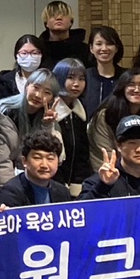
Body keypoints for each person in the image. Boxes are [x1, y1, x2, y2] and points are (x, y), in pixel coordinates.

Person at [88, 67, 140, 173]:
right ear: (122, 88)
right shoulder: (106, 116)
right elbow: (104, 156)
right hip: (112, 175)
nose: (136, 89)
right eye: (131, 85)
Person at [0, 130, 71, 207]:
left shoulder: (63, 192)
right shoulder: (10, 192)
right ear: (24, 161)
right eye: (37, 158)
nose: (44, 165)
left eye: (50, 158)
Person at [50, 58, 92, 192]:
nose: (76, 84)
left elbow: (83, 154)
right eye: (70, 78)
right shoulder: (49, 110)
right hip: (52, 181)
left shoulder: (81, 110)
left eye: (81, 79)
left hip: (77, 182)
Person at [82, 24, 124, 119]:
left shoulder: (126, 78)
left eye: (109, 44)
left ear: (116, 48)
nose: (104, 48)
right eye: (99, 44)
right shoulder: (84, 77)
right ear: (91, 48)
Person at [40, 1, 92, 68]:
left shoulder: (85, 50)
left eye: (64, 15)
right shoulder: (39, 50)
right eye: (53, 15)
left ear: (71, 22)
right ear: (46, 23)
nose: (59, 18)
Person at [0, 34, 43, 102]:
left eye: (34, 53)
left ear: (41, 55)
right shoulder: (4, 81)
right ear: (17, 56)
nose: (29, 57)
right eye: (24, 53)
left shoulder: (49, 81)